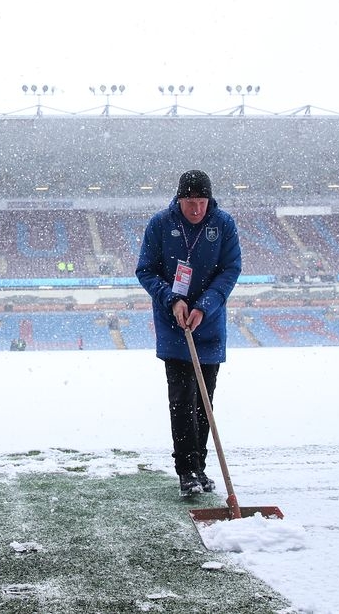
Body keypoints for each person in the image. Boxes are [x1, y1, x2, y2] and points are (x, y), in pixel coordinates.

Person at [135, 170, 242, 497]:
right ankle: (187, 472)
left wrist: (204, 306)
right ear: (179, 198)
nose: (196, 209)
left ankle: (201, 467)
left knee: (204, 403)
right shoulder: (160, 224)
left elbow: (231, 269)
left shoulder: (223, 225)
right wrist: (173, 300)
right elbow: (145, 270)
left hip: (207, 326)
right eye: (189, 202)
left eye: (201, 202)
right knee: (182, 401)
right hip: (173, 326)